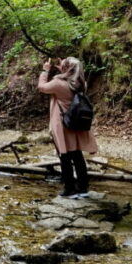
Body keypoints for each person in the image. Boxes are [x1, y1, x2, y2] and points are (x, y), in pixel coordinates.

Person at [37, 56, 98, 199]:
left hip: (62, 123)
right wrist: (63, 70)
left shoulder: (58, 84)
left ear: (67, 69)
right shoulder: (82, 83)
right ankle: (82, 187)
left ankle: (69, 188)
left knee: (64, 155)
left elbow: (42, 87)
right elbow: (68, 79)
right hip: (75, 122)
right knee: (77, 155)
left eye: (64, 65)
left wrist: (45, 71)